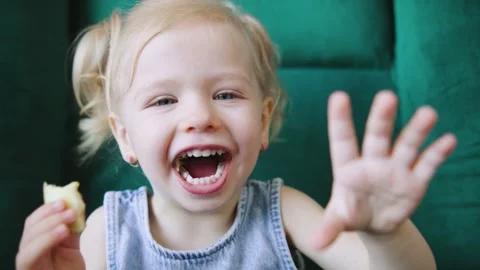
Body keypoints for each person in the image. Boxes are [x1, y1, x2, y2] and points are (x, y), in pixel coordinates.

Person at [15, 0, 457, 269]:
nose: (200, 116)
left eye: (226, 93)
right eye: (164, 101)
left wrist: (385, 233)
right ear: (126, 137)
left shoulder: (283, 212)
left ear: (263, 122)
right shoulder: (104, 232)